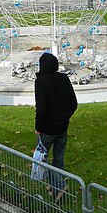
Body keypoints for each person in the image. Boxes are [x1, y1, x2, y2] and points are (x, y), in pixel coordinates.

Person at [34, 52, 78, 200]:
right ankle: (56, 189)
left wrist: (38, 127)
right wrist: (64, 117)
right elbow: (73, 104)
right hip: (62, 127)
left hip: (47, 129)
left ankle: (58, 186)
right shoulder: (64, 79)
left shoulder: (41, 82)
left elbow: (41, 108)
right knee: (58, 159)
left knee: (42, 159)